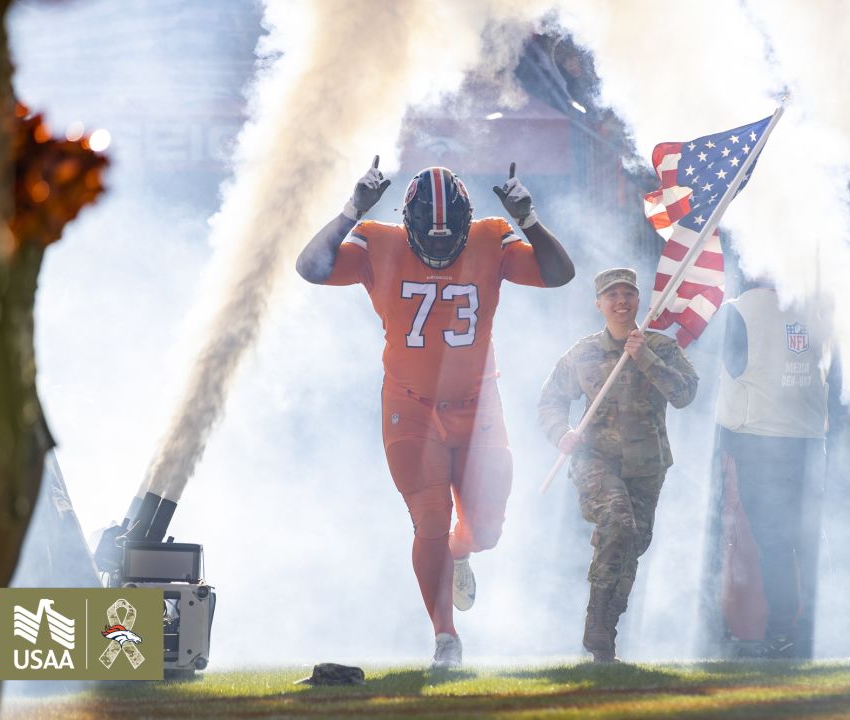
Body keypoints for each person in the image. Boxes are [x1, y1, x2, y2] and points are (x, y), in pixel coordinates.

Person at [295, 158, 574, 667]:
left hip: (478, 403)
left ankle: (460, 551)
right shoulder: (375, 239)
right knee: (429, 520)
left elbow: (560, 275)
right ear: (408, 223)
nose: (442, 249)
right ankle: (446, 637)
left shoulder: (492, 236)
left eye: (451, 239)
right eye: (432, 237)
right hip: (410, 405)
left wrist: (528, 218)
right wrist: (350, 209)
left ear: (468, 222)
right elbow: (309, 268)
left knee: (485, 531)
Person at [537, 268, 699, 662]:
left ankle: (604, 636)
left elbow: (685, 393)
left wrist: (644, 358)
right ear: (599, 304)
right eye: (612, 295)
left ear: (639, 301)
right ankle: (596, 625)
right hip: (595, 460)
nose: (621, 301)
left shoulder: (659, 347)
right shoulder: (583, 353)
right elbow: (550, 401)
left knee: (630, 547)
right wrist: (561, 433)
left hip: (647, 465)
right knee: (619, 523)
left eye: (628, 293)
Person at [713, 277, 831, 659]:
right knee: (810, 541)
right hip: (811, 438)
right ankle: (813, 629)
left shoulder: (738, 310)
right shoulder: (814, 310)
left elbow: (728, 366)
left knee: (776, 545)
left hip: (759, 438)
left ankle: (782, 632)